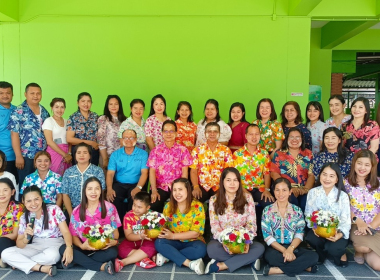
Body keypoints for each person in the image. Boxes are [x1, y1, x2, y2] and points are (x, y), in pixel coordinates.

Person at [2, 186, 73, 276]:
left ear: (42, 199)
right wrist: (26, 238)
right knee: (5, 253)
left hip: (55, 243)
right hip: (36, 245)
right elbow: (19, 245)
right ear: (23, 202)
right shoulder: (24, 217)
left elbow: (66, 232)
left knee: (52, 256)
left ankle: (21, 264)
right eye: (29, 201)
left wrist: (69, 247)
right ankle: (42, 268)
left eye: (36, 199)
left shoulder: (54, 209)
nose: (33, 203)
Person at [206, 167, 265, 274]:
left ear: (239, 182)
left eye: (235, 180)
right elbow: (214, 225)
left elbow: (251, 223)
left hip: (243, 241)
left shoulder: (247, 198)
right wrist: (225, 241)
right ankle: (247, 260)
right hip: (223, 241)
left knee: (259, 248)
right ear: (222, 182)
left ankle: (223, 265)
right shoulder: (214, 199)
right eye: (228, 180)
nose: (232, 184)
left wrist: (245, 241)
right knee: (211, 249)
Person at [59, 177, 121, 275]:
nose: (93, 192)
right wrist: (82, 246)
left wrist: (114, 241)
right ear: (84, 191)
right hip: (84, 248)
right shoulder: (77, 211)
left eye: (97, 188)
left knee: (112, 252)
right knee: (63, 248)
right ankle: (101, 266)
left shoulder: (110, 208)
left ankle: (76, 261)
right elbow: (74, 235)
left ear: (101, 191)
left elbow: (116, 233)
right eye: (90, 189)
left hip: (103, 247)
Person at [261, 178, 318, 277]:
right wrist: (285, 251)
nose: (280, 193)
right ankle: (306, 267)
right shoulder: (267, 211)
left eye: (284, 190)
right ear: (273, 191)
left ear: (290, 192)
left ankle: (277, 270)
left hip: (293, 247)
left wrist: (290, 249)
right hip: (276, 249)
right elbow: (267, 237)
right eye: (277, 190)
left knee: (313, 256)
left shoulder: (297, 211)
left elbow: (299, 234)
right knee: (271, 257)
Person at [155, 178, 206, 275]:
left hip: (192, 241)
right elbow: (164, 226)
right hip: (174, 242)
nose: (177, 193)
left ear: (188, 190)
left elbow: (195, 233)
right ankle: (190, 264)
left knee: (201, 250)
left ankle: (168, 256)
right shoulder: (168, 206)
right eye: (174, 190)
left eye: (180, 189)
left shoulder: (197, 206)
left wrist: (173, 236)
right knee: (159, 242)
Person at [305, 163, 351, 267]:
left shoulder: (342, 196)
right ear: (320, 176)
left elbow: (346, 219)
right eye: (324, 174)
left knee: (334, 249)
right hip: (319, 230)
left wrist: (339, 234)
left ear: (337, 179)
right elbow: (309, 213)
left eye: (331, 176)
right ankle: (321, 254)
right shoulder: (313, 192)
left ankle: (340, 252)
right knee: (312, 238)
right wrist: (315, 228)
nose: (327, 179)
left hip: (336, 231)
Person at [344, 150, 380, 270]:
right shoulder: (345, 183)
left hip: (376, 226)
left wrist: (371, 226)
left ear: (372, 166)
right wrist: (359, 222)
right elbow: (342, 207)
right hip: (356, 225)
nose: (362, 168)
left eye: (367, 165)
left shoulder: (378, 183)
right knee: (363, 247)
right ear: (354, 163)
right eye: (359, 163)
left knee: (378, 266)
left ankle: (368, 250)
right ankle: (360, 251)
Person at [8, 83, 50, 185]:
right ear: (25, 94)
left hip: (42, 156)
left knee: (41, 184)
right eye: (32, 93)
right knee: (26, 184)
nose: (35, 96)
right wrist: (18, 156)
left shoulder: (44, 111)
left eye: (38, 93)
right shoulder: (18, 111)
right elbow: (14, 135)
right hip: (26, 156)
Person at [148, 120, 192, 212]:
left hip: (177, 187)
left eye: (171, 131)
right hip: (160, 187)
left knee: (181, 206)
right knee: (154, 204)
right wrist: (154, 190)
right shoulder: (155, 151)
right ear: (162, 133)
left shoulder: (183, 150)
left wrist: (182, 189)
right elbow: (151, 171)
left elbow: (185, 172)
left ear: (176, 133)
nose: (169, 134)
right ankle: (158, 225)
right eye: (166, 131)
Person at [107, 129, 148, 220]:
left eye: (131, 137)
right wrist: (109, 188)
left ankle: (132, 225)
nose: (128, 140)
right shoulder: (115, 155)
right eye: (125, 137)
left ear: (136, 139)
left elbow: (145, 172)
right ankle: (119, 228)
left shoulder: (143, 154)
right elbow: (110, 173)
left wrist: (139, 187)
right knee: (113, 196)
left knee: (135, 197)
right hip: (119, 184)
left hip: (136, 184)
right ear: (121, 140)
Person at [270, 127, 314, 211]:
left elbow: (311, 174)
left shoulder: (308, 153)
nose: (294, 139)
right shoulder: (279, 153)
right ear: (287, 139)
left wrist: (306, 189)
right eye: (291, 137)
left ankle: (303, 224)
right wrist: (288, 188)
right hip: (284, 190)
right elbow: (274, 173)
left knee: (306, 203)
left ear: (302, 139)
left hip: (303, 189)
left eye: (297, 137)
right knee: (292, 203)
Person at [190, 122, 233, 203]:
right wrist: (195, 187)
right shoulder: (197, 150)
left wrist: (225, 188)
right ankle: (202, 215)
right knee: (193, 201)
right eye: (209, 131)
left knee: (222, 203)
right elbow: (193, 171)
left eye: (215, 131)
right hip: (202, 186)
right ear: (205, 133)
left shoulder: (226, 150)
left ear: (219, 134)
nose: (212, 134)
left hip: (219, 186)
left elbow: (229, 172)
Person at [233, 124, 273, 207]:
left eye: (257, 134)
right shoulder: (237, 154)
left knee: (269, 202)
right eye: (251, 134)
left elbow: (267, 173)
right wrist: (241, 189)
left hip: (259, 188)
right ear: (246, 136)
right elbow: (234, 175)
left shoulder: (264, 154)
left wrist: (267, 190)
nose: (254, 137)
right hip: (241, 189)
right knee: (240, 204)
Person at [115, 192, 157, 271]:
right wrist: (140, 236)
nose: (136, 209)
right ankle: (143, 258)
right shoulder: (128, 216)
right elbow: (128, 236)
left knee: (153, 247)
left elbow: (156, 234)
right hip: (132, 241)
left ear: (148, 207)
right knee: (121, 249)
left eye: (139, 207)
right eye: (134, 205)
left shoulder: (153, 216)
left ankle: (124, 262)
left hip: (147, 241)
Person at [62, 143, 105, 217]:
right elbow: (65, 194)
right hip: (73, 209)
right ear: (74, 155)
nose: (81, 155)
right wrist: (71, 214)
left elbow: (102, 190)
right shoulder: (68, 172)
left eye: (85, 153)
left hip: (93, 210)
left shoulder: (98, 171)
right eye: (78, 153)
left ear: (90, 156)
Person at [66, 92, 99, 166]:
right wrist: (90, 142)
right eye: (83, 101)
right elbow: (69, 139)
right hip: (79, 153)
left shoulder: (95, 116)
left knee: (93, 175)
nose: (86, 104)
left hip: (93, 153)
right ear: (78, 103)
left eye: (88, 101)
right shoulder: (73, 118)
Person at [42, 98, 72, 176]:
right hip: (54, 152)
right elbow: (49, 141)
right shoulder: (49, 121)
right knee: (54, 177)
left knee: (66, 177)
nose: (59, 110)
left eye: (62, 107)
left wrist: (69, 153)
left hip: (67, 153)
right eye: (57, 107)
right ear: (52, 108)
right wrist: (64, 155)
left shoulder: (67, 121)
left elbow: (70, 139)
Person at [97, 95, 127, 170]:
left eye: (116, 104)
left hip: (122, 157)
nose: (113, 106)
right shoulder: (103, 119)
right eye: (111, 104)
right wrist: (105, 159)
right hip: (107, 157)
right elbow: (100, 140)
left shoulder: (125, 120)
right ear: (107, 106)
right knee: (108, 180)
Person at [0, 178, 24, 267]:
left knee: (2, 241)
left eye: (5, 190)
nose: (1, 194)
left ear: (13, 192)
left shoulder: (17, 208)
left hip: (10, 242)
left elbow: (14, 235)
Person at [0, 81, 17, 181]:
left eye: (8, 93)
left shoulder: (18, 110)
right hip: (3, 159)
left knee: (17, 187)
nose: (5, 96)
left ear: (12, 94)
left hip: (20, 157)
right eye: (1, 93)